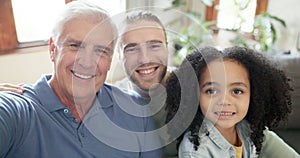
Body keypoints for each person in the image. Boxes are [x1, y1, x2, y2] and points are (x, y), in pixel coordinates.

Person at [1, 8, 299, 158]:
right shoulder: (118, 101)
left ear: (168, 47)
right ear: (118, 56)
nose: (145, 59)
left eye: (155, 44)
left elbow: (254, 134)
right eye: (131, 48)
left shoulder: (200, 93)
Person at [0, 1, 161, 157]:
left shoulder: (137, 110)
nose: (87, 62)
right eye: (75, 46)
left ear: (110, 60)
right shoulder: (19, 110)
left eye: (100, 51)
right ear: (52, 49)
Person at [165, 46, 299, 157]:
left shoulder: (249, 128)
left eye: (237, 91)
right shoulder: (195, 152)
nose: (224, 101)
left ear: (254, 95)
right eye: (211, 91)